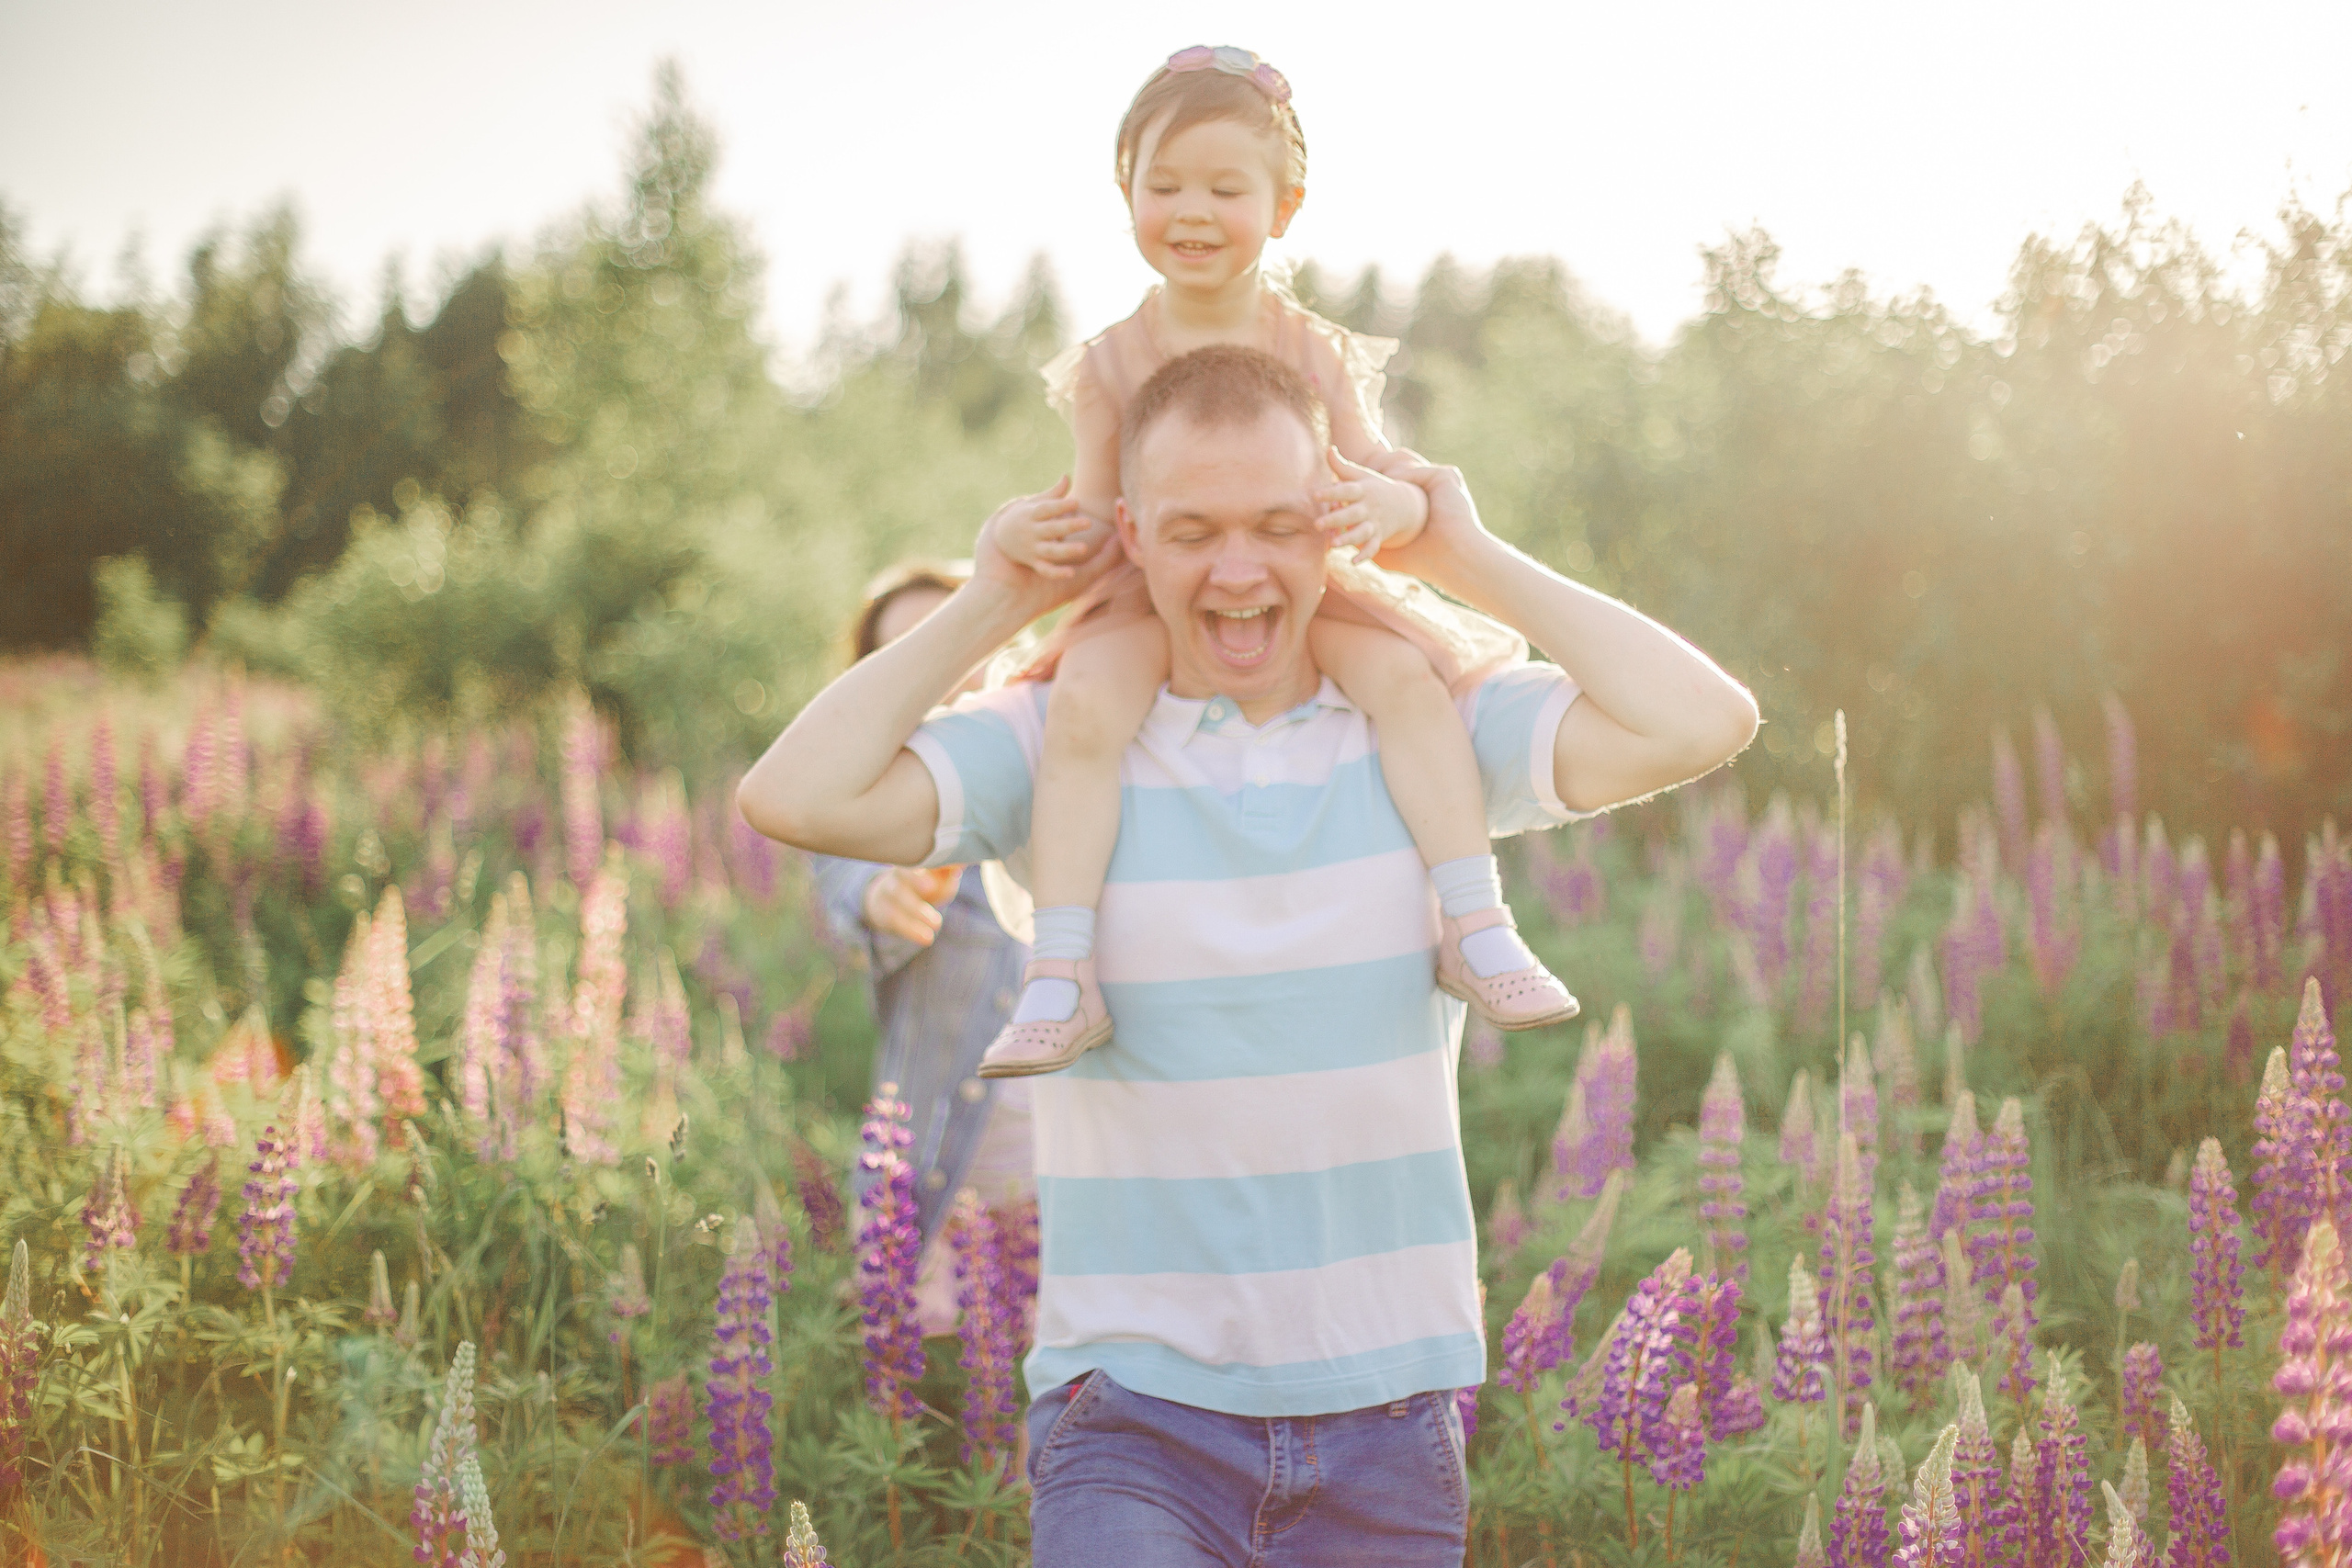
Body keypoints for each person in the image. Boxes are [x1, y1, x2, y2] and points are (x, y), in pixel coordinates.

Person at [739, 344, 1756, 1563]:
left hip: (1386, 1419)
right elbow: (792, 793)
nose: (1236, 569)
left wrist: (1459, 554)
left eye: (1280, 522)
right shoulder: (1063, 744)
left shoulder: (1423, 723)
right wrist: (995, 600)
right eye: (1191, 529)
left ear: (1334, 522)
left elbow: (1706, 718)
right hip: (1132, 1421)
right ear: (1131, 531)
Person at [978, 45, 1575, 1079]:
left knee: (1400, 677)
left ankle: (1474, 925)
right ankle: (1061, 971)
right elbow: (1090, 505)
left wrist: (1392, 500)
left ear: (1285, 206)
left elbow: (1371, 467)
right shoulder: (1109, 364)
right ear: (1125, 195)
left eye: (1224, 187)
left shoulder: (1311, 348)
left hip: (1303, 587)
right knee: (1081, 703)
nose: (1192, 211)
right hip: (1146, 593)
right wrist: (1024, 538)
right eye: (1162, 186)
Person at [809, 561, 1034, 1325]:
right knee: (936, 1430)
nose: (932, 671)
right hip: (938, 1192)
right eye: (900, 654)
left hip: (1093, 1196)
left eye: (948, 638)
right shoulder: (867, 809)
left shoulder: (1076, 772)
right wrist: (888, 892)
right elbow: (854, 888)